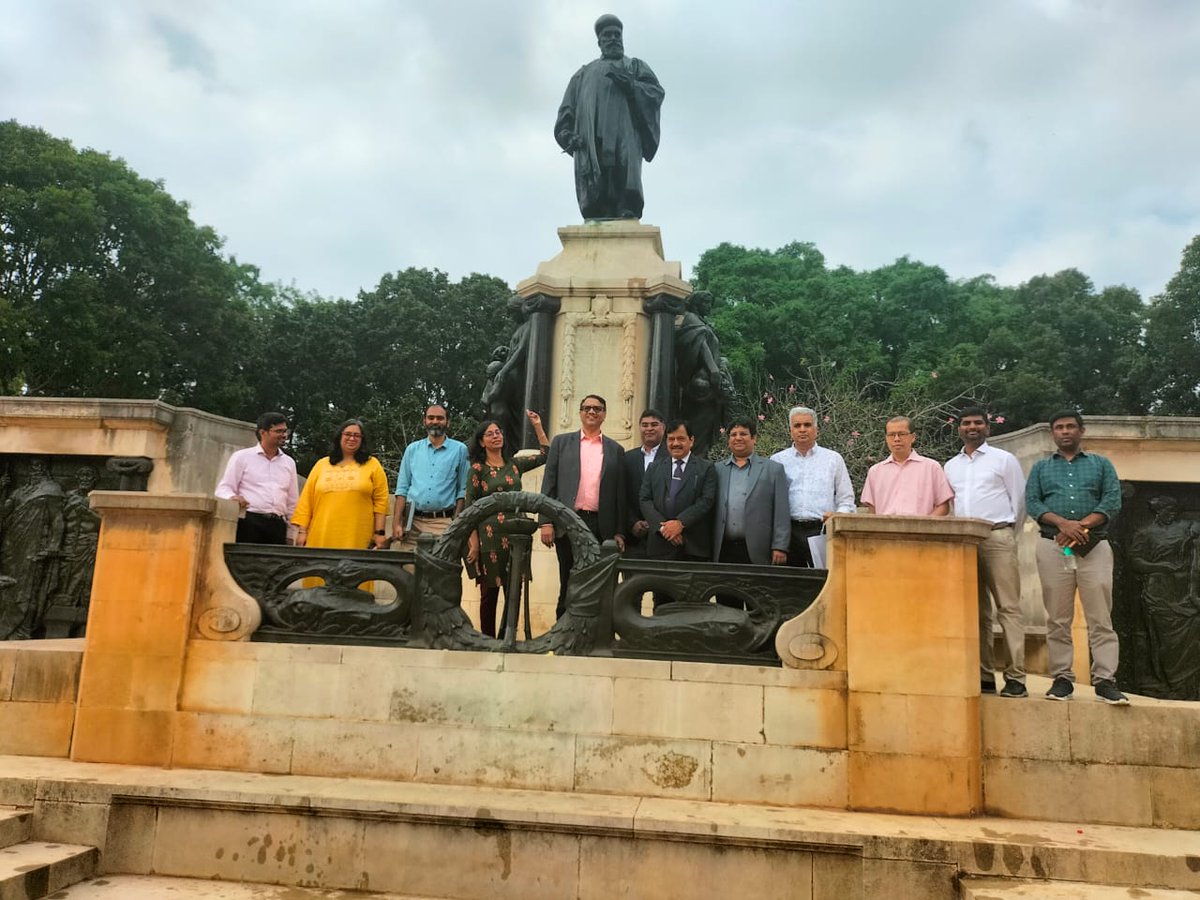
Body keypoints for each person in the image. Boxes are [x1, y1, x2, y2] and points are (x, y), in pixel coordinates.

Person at [1026, 410, 1128, 704]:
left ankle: (1106, 679)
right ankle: (1062, 679)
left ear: (1081, 431)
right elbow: (1033, 502)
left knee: (1100, 617)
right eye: (1059, 427)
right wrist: (1064, 524)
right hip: (1053, 546)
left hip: (1093, 546)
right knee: (1058, 618)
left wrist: (1081, 526)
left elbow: (1111, 499)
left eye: (1071, 426)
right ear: (1053, 433)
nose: (1065, 431)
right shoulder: (1042, 468)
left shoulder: (1101, 464)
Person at [944, 407, 1028, 698]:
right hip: (965, 543)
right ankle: (984, 675)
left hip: (997, 536)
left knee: (1009, 607)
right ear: (959, 429)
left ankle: (1016, 677)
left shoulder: (1003, 460)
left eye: (978, 423)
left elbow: (1020, 501)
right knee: (977, 612)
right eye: (966, 423)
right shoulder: (950, 466)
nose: (972, 427)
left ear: (987, 428)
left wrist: (1005, 535)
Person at [554, 13, 665, 220]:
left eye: (617, 34)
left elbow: (655, 93)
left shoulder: (634, 66)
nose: (613, 38)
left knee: (624, 165)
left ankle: (626, 206)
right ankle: (600, 209)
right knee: (598, 172)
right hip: (592, 136)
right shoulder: (583, 74)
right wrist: (568, 135)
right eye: (608, 35)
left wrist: (631, 86)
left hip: (626, 131)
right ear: (599, 41)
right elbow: (567, 111)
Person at [464, 410, 550, 638]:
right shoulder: (477, 470)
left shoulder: (514, 465)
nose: (496, 436)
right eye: (490, 434)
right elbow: (470, 508)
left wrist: (537, 425)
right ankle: (487, 640)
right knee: (488, 593)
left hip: (516, 537)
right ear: (481, 442)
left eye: (498, 432)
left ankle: (508, 637)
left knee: (514, 590)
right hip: (488, 537)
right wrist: (473, 542)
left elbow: (545, 454)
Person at [540, 393, 626, 618]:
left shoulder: (615, 450)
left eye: (597, 409)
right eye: (587, 408)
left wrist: (618, 531)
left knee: (596, 582)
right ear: (580, 412)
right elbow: (549, 484)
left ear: (604, 415)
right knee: (567, 579)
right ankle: (561, 635)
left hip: (601, 525)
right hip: (567, 521)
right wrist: (546, 522)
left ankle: (591, 637)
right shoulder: (561, 442)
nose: (592, 412)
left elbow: (619, 495)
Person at [1129, 496, 1200, 700]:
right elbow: (1135, 561)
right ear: (1157, 512)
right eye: (1164, 511)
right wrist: (1161, 566)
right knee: (1165, 642)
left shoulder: (1189, 527)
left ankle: (1187, 686)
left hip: (1185, 592)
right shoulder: (1145, 533)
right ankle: (1169, 682)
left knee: (1192, 633)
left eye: (1172, 511)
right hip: (1158, 592)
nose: (1168, 515)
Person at [770, 406, 856, 567]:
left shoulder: (833, 459)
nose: (802, 430)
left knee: (824, 583)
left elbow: (847, 500)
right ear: (791, 431)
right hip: (789, 533)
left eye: (807, 425)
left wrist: (836, 516)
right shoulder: (777, 460)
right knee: (789, 586)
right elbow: (770, 502)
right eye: (797, 426)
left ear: (816, 429)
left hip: (822, 530)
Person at [292, 419, 389, 551]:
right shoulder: (322, 464)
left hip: (357, 537)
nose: (352, 438)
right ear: (340, 437)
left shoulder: (373, 465)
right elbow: (306, 501)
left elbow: (381, 502)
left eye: (357, 435)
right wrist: (302, 532)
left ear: (362, 440)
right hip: (320, 535)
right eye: (348, 434)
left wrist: (379, 533)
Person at [713, 417, 790, 567]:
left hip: (759, 550)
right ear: (728, 440)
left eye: (743, 434)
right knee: (724, 590)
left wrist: (780, 546)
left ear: (754, 438)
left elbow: (781, 511)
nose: (738, 438)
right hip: (723, 549)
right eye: (733, 435)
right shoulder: (717, 470)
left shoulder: (773, 470)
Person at [392, 405, 470, 552]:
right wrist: (397, 523)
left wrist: (456, 522)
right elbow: (402, 489)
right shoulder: (412, 450)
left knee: (440, 571)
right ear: (424, 421)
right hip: (412, 524)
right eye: (431, 417)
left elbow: (462, 490)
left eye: (440, 418)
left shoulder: (460, 450)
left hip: (443, 523)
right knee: (409, 572)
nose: (435, 421)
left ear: (448, 422)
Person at [215, 412, 299, 545]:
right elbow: (224, 488)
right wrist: (232, 497)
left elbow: (292, 501)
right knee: (245, 564)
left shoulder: (289, 463)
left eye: (285, 431)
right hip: (249, 521)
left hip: (277, 526)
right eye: (278, 431)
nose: (284, 435)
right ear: (263, 432)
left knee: (276, 565)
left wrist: (291, 532)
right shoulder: (242, 457)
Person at [640, 419, 716, 564]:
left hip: (693, 548)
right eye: (671, 439)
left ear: (691, 440)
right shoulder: (654, 468)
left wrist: (680, 523)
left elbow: (706, 501)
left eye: (681, 438)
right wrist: (665, 529)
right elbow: (644, 499)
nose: (675, 443)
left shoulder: (706, 468)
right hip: (660, 546)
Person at [861, 416, 954, 516]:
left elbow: (943, 506)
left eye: (902, 434)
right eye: (891, 435)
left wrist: (923, 527)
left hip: (921, 528)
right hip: (885, 530)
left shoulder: (931, 467)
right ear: (886, 438)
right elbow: (872, 509)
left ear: (913, 437)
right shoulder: (875, 471)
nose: (896, 439)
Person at [622, 408, 665, 559]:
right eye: (645, 425)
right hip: (633, 538)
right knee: (632, 582)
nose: (649, 429)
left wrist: (655, 522)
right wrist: (632, 522)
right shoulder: (627, 458)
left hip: (664, 538)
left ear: (663, 427)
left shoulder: (672, 457)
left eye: (654, 424)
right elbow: (621, 495)